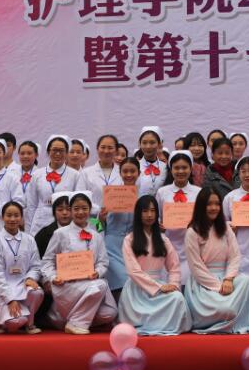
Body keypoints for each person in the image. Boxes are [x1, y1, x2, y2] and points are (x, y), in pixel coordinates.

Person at [42, 191, 116, 334]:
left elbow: (103, 262)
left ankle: (69, 320)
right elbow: (47, 261)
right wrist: (53, 277)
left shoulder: (96, 235)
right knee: (100, 285)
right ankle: (77, 322)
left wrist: (97, 272)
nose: (80, 212)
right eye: (76, 208)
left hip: (89, 284)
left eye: (84, 208)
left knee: (109, 313)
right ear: (70, 210)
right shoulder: (60, 233)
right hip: (67, 286)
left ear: (90, 210)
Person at [183, 186, 249, 333]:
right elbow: (196, 267)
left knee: (247, 281)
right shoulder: (192, 231)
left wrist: (228, 279)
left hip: (226, 278)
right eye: (209, 204)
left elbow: (235, 256)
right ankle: (225, 315)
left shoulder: (226, 228)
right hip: (204, 283)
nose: (214, 208)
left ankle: (237, 321)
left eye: (217, 204)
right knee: (225, 308)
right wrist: (218, 286)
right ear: (201, 206)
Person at [118, 195, 190, 336]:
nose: (149, 215)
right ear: (138, 214)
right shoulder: (129, 239)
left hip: (160, 286)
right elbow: (133, 271)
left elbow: (174, 267)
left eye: (152, 211)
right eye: (145, 211)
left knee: (177, 298)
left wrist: (173, 285)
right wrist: (158, 287)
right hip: (137, 289)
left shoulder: (163, 239)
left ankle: (165, 326)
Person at [0, 200, 44, 333]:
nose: (12, 219)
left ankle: (30, 323)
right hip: (1, 289)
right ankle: (4, 319)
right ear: (2, 217)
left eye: (16, 215)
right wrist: (10, 299)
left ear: (21, 217)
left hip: (22, 285)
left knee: (37, 292)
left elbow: (36, 265)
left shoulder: (29, 239)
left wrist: (30, 278)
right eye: (9, 215)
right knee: (15, 322)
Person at [157, 151, 202, 283]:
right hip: (168, 242)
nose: (180, 171)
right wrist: (159, 226)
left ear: (191, 169)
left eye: (184, 167)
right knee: (170, 279)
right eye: (176, 168)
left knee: (189, 281)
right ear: (171, 169)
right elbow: (157, 216)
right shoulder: (162, 192)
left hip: (191, 244)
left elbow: (203, 218)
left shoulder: (198, 192)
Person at [28, 135, 84, 235]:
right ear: (48, 151)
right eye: (54, 150)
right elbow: (31, 205)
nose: (58, 153)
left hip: (65, 222)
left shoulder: (75, 175)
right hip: (40, 223)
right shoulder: (37, 174)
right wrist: (29, 229)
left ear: (67, 153)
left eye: (61, 150)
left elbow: (78, 203)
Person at [105, 156, 139, 294]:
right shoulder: (110, 194)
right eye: (125, 171)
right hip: (112, 247)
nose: (129, 174)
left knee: (135, 281)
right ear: (120, 173)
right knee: (121, 279)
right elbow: (96, 223)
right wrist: (100, 219)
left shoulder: (143, 197)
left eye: (132, 171)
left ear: (139, 173)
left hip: (134, 245)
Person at [81, 134, 123, 217]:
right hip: (93, 220)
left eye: (110, 148)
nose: (106, 151)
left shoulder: (123, 172)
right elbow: (81, 198)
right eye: (103, 147)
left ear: (116, 151)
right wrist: (99, 211)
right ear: (97, 149)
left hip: (117, 219)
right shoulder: (85, 173)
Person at [136, 128, 169, 197]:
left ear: (159, 144)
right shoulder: (135, 166)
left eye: (152, 142)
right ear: (140, 144)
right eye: (144, 143)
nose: (148, 146)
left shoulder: (165, 167)